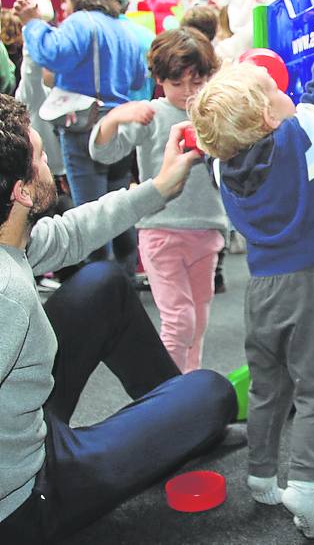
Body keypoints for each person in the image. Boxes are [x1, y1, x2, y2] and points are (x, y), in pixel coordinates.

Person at [0, 94, 237, 543]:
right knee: (213, 392)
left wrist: (159, 187)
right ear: (21, 192)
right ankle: (186, 423)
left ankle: (176, 417)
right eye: (41, 156)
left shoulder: (11, 235)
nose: (49, 162)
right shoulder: (6, 293)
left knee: (103, 283)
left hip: (22, 419)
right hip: (31, 490)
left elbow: (70, 233)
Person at [189, 0, 314, 540]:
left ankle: (261, 475)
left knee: (267, 388)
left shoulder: (222, 169)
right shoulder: (302, 139)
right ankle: (303, 483)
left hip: (259, 291)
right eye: (276, 90)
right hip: (308, 287)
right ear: (268, 117)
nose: (288, 90)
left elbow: (227, 141)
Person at [90, 28, 226, 372]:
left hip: (207, 228)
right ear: (160, 80)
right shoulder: (151, 113)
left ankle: (190, 387)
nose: (188, 92)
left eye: (197, 82)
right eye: (177, 83)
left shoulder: (212, 113)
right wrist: (114, 117)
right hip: (161, 229)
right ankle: (169, 392)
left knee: (198, 320)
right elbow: (104, 152)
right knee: (179, 320)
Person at [14, 0, 146, 274]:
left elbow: (52, 54)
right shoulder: (125, 30)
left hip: (84, 124)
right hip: (119, 123)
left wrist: (33, 24)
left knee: (89, 212)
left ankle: (100, 281)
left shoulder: (81, 22)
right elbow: (139, 79)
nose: (64, 7)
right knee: (119, 204)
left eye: (66, 1)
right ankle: (124, 278)